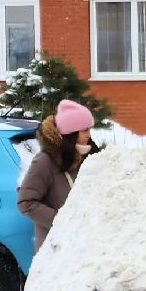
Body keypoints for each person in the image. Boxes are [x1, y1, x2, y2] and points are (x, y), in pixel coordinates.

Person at [18, 99, 96, 249]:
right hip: (55, 248)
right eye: (84, 130)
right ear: (71, 133)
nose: (89, 135)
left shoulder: (85, 156)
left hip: (81, 246)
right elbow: (26, 203)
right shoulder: (45, 161)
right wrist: (62, 219)